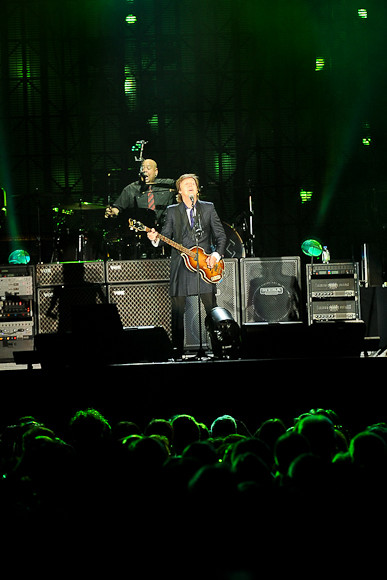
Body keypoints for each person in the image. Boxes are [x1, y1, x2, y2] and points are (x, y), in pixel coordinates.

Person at [147, 173, 227, 358]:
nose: (190, 186)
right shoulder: (173, 210)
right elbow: (165, 235)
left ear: (197, 189)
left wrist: (215, 255)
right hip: (181, 265)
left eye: (193, 184)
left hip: (206, 264)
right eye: (186, 184)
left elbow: (221, 236)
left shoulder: (208, 208)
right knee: (177, 311)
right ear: (180, 190)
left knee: (212, 310)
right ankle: (177, 352)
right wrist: (155, 239)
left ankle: (217, 350)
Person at [104, 158, 175, 227]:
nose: (144, 170)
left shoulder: (167, 185)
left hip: (164, 230)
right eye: (142, 168)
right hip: (140, 230)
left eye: (148, 168)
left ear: (156, 172)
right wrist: (112, 212)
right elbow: (119, 207)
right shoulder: (131, 188)